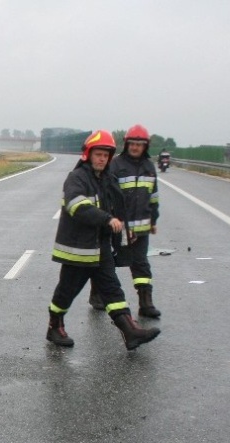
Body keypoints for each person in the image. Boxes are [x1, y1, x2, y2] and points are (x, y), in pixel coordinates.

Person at [46, 130, 160, 350]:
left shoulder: (107, 180)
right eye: (98, 154)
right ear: (88, 154)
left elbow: (120, 208)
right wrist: (106, 219)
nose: (102, 159)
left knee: (113, 290)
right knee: (66, 292)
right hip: (78, 251)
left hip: (101, 249)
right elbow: (77, 206)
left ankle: (130, 331)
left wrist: (125, 235)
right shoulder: (77, 178)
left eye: (106, 155)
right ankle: (54, 326)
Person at [92, 124, 161, 318]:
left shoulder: (149, 167)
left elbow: (153, 197)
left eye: (139, 144)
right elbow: (106, 194)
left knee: (140, 264)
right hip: (118, 226)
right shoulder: (115, 165)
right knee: (108, 262)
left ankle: (145, 303)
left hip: (141, 228)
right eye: (132, 143)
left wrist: (153, 219)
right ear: (126, 144)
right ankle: (97, 294)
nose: (135, 147)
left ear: (145, 146)